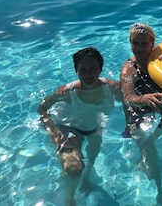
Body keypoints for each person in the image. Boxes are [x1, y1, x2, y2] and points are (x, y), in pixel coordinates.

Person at [38, 47, 122, 206]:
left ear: (100, 69)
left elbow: (127, 102)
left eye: (93, 69)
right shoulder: (67, 92)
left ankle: (86, 180)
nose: (88, 74)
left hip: (94, 128)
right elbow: (42, 108)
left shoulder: (111, 88)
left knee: (92, 156)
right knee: (74, 169)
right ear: (76, 70)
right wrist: (53, 130)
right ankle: (69, 198)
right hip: (68, 128)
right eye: (83, 70)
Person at [120, 23, 162, 205]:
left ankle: (153, 138)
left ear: (152, 43)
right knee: (146, 147)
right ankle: (159, 189)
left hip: (157, 99)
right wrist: (143, 99)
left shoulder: (158, 53)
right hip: (138, 105)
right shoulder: (129, 69)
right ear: (130, 43)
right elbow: (128, 96)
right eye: (134, 43)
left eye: (143, 44)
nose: (139, 48)